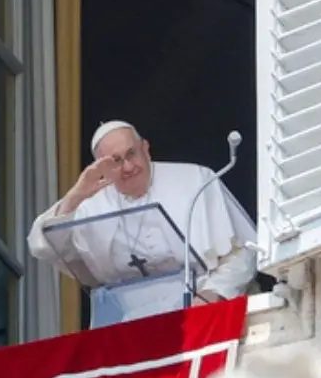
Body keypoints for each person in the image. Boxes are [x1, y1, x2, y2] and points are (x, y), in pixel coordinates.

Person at [27, 120, 257, 325]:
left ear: (145, 149)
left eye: (131, 154)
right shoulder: (91, 207)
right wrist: (77, 194)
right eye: (115, 161)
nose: (128, 167)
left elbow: (244, 252)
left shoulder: (196, 180)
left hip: (203, 314)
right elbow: (42, 244)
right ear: (101, 167)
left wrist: (212, 294)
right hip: (130, 328)